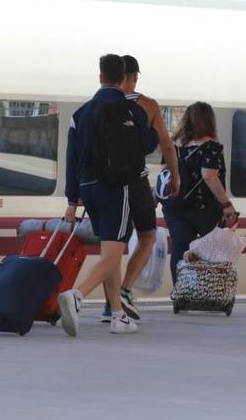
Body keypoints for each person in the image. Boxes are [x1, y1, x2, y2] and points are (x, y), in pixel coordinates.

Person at [58, 54, 159, 336]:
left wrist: (71, 199)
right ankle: (77, 296)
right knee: (113, 253)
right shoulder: (129, 109)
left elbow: (72, 156)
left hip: (89, 189)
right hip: (118, 187)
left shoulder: (81, 113)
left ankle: (117, 315)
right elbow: (147, 143)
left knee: (109, 250)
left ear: (100, 77)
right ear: (125, 78)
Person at [100, 55, 180, 323]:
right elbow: (166, 145)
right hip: (136, 180)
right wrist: (175, 176)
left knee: (111, 243)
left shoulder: (100, 104)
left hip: (106, 182)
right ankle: (124, 290)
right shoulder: (147, 105)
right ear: (133, 76)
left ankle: (110, 306)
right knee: (147, 235)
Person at [161, 102, 237, 284]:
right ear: (209, 121)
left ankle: (181, 293)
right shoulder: (212, 147)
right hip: (205, 208)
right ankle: (204, 293)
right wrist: (227, 204)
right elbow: (209, 175)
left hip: (176, 207)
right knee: (207, 249)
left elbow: (165, 172)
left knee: (179, 249)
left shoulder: (173, 146)